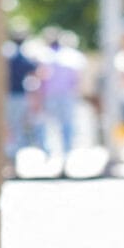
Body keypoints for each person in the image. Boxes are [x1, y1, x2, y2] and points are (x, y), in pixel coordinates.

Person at [34, 28, 86, 163]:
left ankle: (51, 154)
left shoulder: (45, 56)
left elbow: (41, 78)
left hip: (51, 96)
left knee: (50, 126)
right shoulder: (70, 57)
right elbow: (77, 79)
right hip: (66, 96)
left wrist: (38, 98)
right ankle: (65, 153)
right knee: (66, 125)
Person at [3, 24, 39, 162]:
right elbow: (36, 71)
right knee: (15, 128)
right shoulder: (19, 57)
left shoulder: (8, 56)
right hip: (16, 95)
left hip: (10, 95)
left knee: (11, 128)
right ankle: (12, 158)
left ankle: (11, 159)